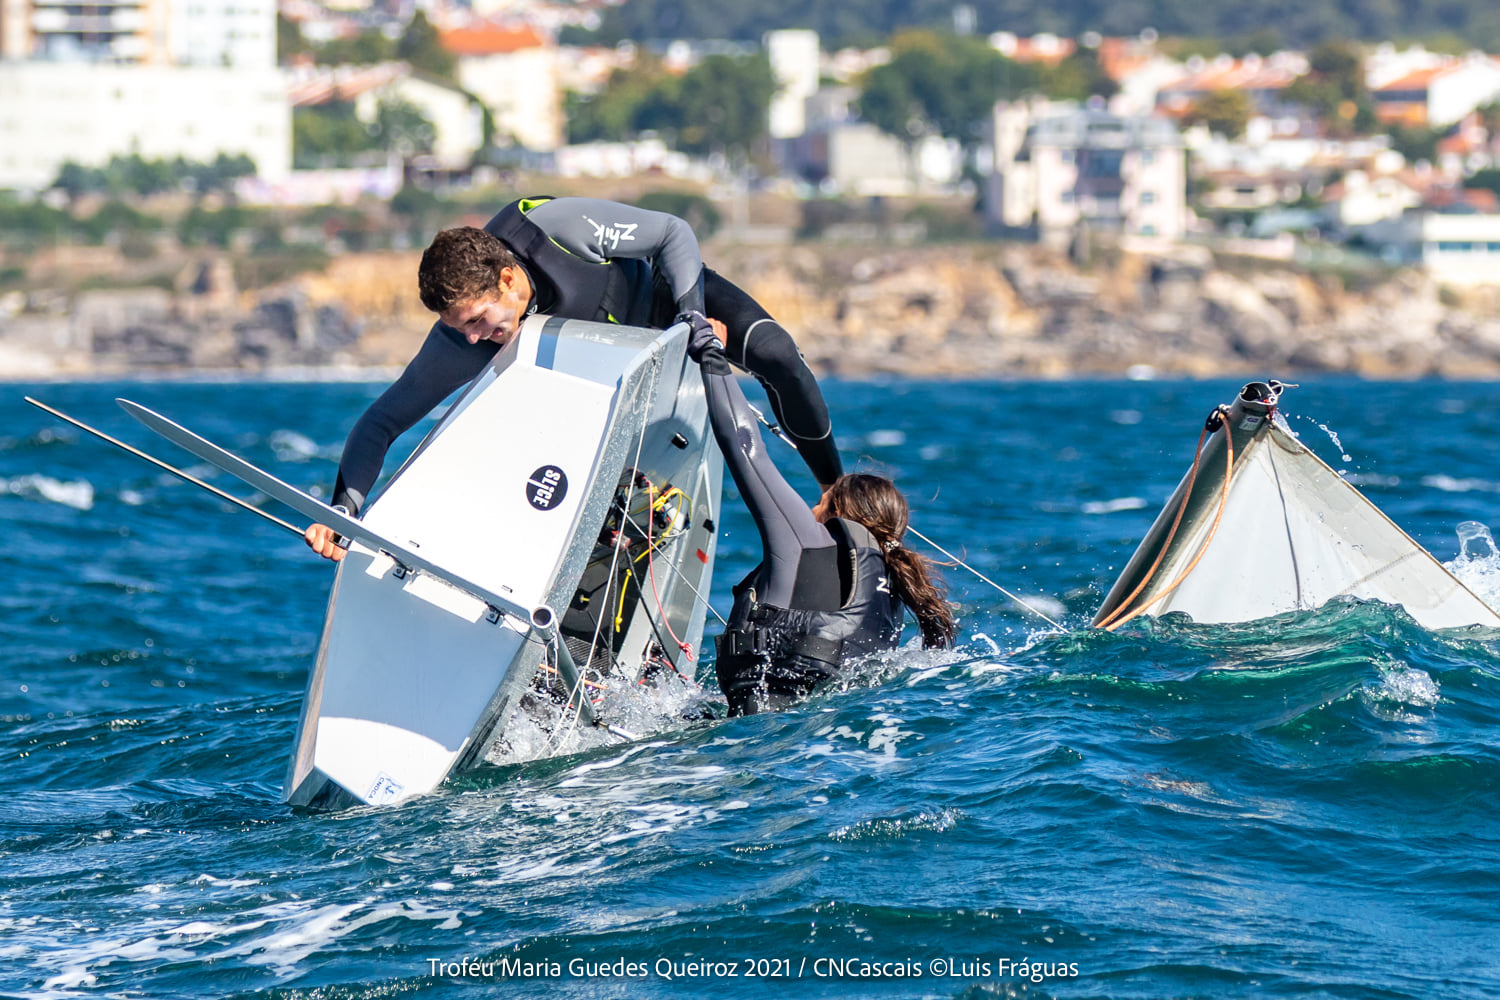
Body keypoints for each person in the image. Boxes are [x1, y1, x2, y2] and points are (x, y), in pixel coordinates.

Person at [305, 195, 841, 561]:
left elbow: (672, 233)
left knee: (777, 355)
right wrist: (342, 512)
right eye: (460, 327)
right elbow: (381, 422)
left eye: (476, 320)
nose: (471, 338)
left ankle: (833, 493)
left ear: (508, 279)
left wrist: (692, 318)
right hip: (605, 395)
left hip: (661, 304)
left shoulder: (553, 228)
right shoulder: (461, 340)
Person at [683, 313, 956, 716]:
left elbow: (744, 447)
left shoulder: (809, 542)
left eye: (821, 502)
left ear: (838, 512)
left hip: (757, 733)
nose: (811, 510)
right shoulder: (893, 592)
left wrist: (712, 355)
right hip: (821, 739)